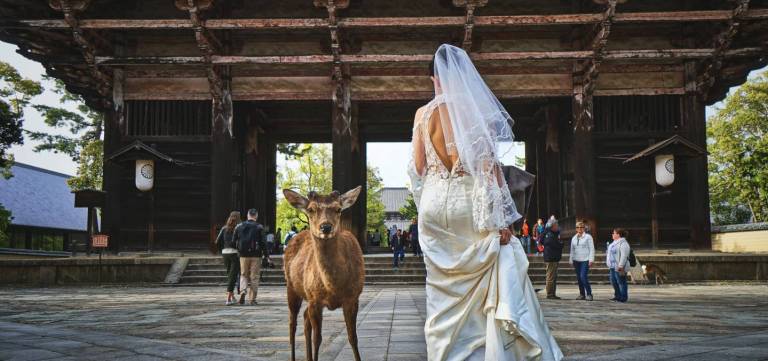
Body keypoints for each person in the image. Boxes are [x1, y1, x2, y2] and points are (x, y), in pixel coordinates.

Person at [408, 44, 562, 360]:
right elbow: (489, 169)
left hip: (435, 206)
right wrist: (503, 219)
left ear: (435, 79)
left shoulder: (423, 114)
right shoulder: (472, 111)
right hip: (468, 204)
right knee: (481, 283)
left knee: (441, 289)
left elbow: (419, 167)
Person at [234, 208, 266, 305]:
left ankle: (243, 291)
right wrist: (267, 255)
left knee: (243, 275)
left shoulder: (239, 226)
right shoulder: (259, 227)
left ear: (248, 215)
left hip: (243, 255)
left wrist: (238, 249)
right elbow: (263, 243)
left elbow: (233, 240)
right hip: (256, 255)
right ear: (256, 216)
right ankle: (252, 299)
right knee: (254, 277)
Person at [216, 211, 242, 306]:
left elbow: (217, 241)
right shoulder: (238, 229)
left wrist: (221, 250)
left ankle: (232, 296)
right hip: (234, 253)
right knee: (233, 276)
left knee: (230, 275)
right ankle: (228, 298)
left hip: (225, 253)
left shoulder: (224, 228)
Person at [569, 221, 594, 301]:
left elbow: (592, 249)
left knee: (583, 276)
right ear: (576, 229)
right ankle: (582, 294)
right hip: (576, 260)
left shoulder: (588, 237)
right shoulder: (574, 238)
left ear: (584, 228)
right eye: (578, 227)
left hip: (585, 260)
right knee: (579, 278)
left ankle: (589, 294)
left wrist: (591, 259)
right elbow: (572, 250)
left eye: (581, 227)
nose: (579, 229)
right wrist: (571, 259)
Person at [607, 228, 631, 303]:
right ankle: (617, 295)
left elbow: (624, 255)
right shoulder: (613, 243)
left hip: (619, 266)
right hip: (612, 266)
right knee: (613, 281)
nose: (612, 234)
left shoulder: (623, 243)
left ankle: (623, 297)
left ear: (618, 234)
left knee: (621, 281)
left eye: (614, 233)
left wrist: (621, 265)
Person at [542, 218, 563, 300]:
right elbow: (552, 243)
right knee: (550, 277)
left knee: (553, 276)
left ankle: (552, 293)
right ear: (553, 226)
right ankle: (550, 294)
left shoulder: (553, 233)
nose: (557, 226)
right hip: (550, 258)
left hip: (554, 257)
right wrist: (560, 244)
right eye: (556, 225)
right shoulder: (549, 234)